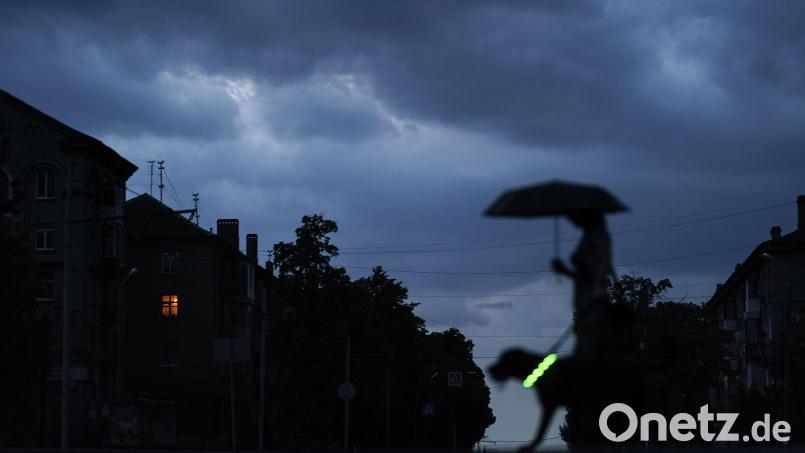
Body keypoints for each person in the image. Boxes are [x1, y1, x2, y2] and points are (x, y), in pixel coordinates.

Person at [550, 211, 617, 360]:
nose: (573, 219)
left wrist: (598, 289)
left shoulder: (599, 235)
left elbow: (603, 265)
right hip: (584, 299)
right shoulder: (587, 237)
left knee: (590, 347)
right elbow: (582, 276)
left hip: (593, 299)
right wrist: (564, 270)